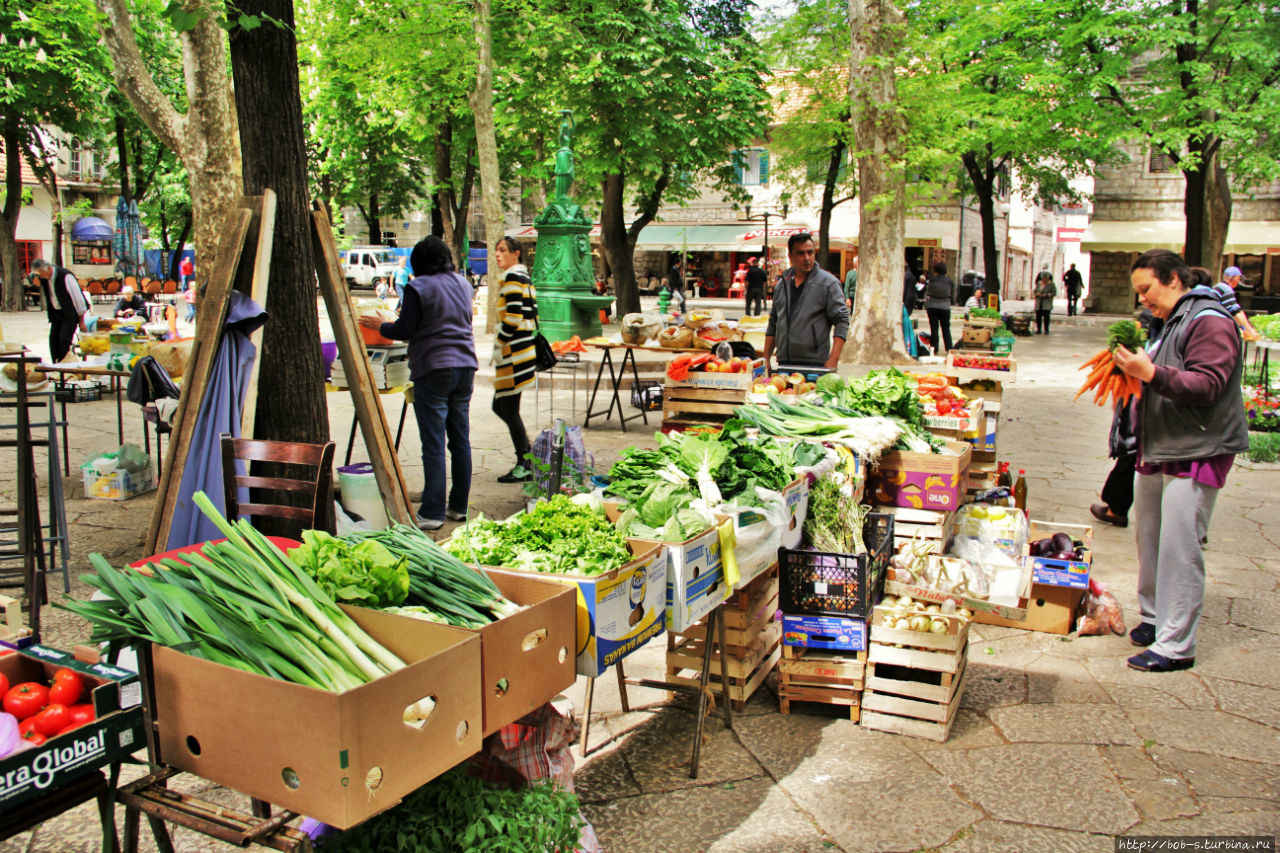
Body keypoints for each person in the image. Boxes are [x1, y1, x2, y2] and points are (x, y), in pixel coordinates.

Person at [1111, 248, 1248, 672]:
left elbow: (1207, 385)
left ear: (1173, 279)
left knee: (1179, 546)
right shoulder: (1168, 321)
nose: (1143, 300)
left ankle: (1176, 645)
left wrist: (1149, 373)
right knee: (1149, 537)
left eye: (1147, 289)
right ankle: (1154, 618)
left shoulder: (1209, 321)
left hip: (1197, 449)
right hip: (1158, 446)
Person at [359, 236, 478, 531]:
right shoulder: (463, 284)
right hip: (465, 365)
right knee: (460, 439)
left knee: (434, 442)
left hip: (434, 367)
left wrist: (380, 326)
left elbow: (405, 329)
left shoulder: (417, 287)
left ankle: (433, 511)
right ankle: (459, 507)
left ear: (418, 263)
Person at [1091, 307, 1159, 529]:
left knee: (1131, 453)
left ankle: (1117, 508)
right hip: (1142, 401)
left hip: (1147, 405)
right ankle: (1116, 506)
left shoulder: (1161, 335)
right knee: (1131, 453)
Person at [763, 233, 849, 369]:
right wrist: (766, 359)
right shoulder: (782, 285)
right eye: (800, 254)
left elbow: (842, 320)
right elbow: (774, 322)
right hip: (784, 363)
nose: (807, 258)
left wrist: (833, 360)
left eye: (810, 252)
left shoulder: (828, 283)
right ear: (790, 256)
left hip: (816, 363)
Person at [491, 236, 536, 484]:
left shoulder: (513, 278)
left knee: (506, 407)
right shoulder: (522, 277)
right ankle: (527, 457)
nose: (498, 255)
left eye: (503, 250)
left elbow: (513, 318)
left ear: (516, 253)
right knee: (503, 406)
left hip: (514, 354)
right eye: (497, 250)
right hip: (520, 352)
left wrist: (499, 341)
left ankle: (526, 462)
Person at [31, 259, 88, 362]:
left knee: (64, 341)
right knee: (53, 341)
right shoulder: (45, 279)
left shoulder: (65, 276)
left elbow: (78, 299)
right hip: (56, 314)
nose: (41, 277)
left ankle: (68, 367)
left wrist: (81, 321)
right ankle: (57, 367)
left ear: (48, 269)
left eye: (41, 274)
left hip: (69, 313)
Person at [1210, 266, 1261, 340]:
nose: (1239, 281)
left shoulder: (1218, 287)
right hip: (1217, 327)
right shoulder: (1226, 289)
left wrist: (1242, 327)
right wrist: (1250, 330)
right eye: (1239, 278)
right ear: (1235, 278)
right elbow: (1236, 311)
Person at [924, 261, 955, 354]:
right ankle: (949, 347)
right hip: (945, 306)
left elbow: (928, 291)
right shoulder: (949, 281)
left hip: (932, 305)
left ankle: (934, 348)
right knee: (945, 328)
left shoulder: (931, 280)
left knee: (934, 328)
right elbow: (952, 293)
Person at [1033, 268, 1056, 334]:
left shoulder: (1051, 284)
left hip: (1046, 303)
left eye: (1046, 278)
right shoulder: (1039, 284)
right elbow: (1035, 291)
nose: (1044, 280)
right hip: (1039, 303)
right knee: (1038, 317)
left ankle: (1046, 330)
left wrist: (1047, 295)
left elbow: (1054, 293)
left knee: (1046, 317)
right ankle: (1039, 329)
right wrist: (1037, 294)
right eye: (1043, 278)